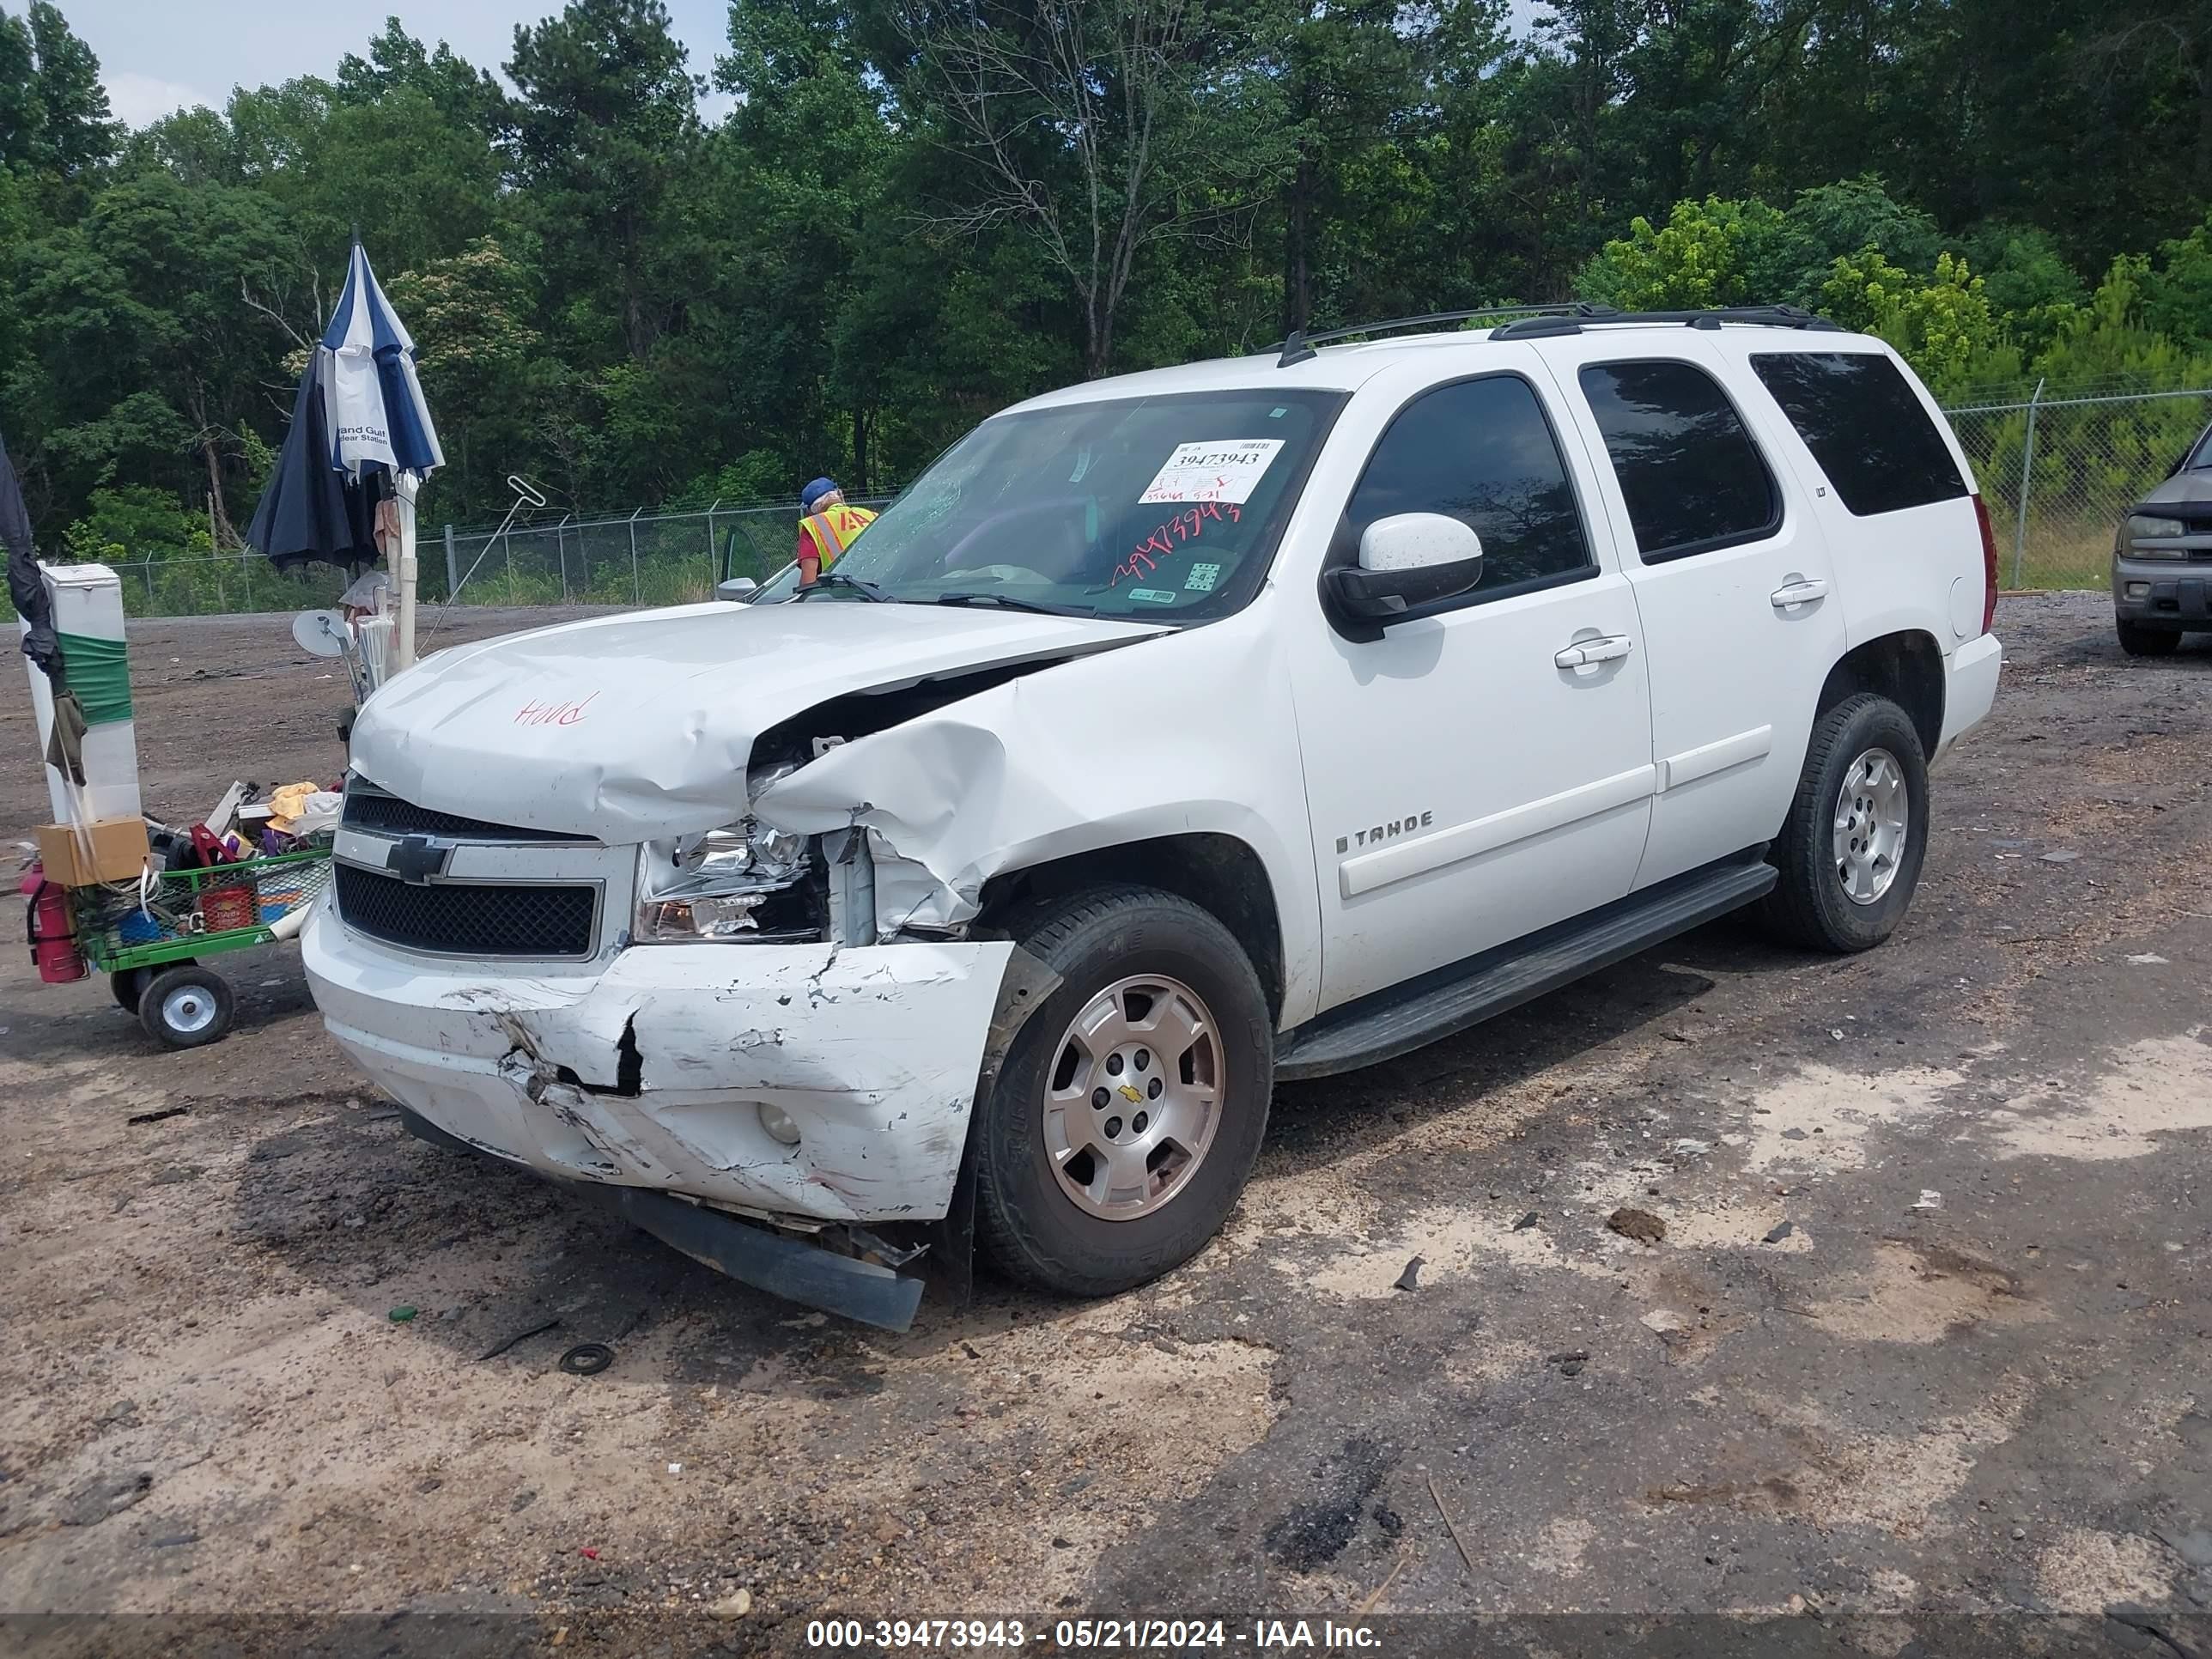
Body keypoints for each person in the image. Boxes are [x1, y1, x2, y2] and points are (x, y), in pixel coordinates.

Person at [794, 477, 876, 589]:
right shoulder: (871, 515)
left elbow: (807, 584)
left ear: (810, 511)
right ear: (840, 495)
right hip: (882, 593)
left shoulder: (813, 525)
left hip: (841, 597)